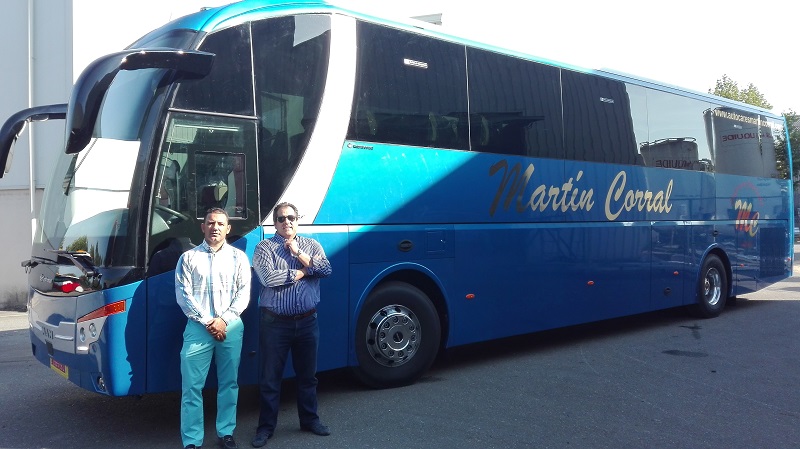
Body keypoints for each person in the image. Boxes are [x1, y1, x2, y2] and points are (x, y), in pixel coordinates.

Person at [250, 202, 333, 448]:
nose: (287, 222)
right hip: (275, 324)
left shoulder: (311, 245)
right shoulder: (264, 247)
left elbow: (326, 269)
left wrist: (298, 254)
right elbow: (268, 278)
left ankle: (309, 420)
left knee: (308, 377)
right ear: (274, 222)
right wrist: (305, 271)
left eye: (291, 217)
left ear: (298, 220)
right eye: (281, 218)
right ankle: (265, 428)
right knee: (270, 379)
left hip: (308, 322)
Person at [176, 207, 251, 449]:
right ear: (203, 227)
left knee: (229, 383)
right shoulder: (188, 258)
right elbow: (183, 295)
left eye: (220, 223)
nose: (215, 227)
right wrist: (209, 321)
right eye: (210, 223)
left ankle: (226, 432)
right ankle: (192, 440)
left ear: (228, 229)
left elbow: (243, 294)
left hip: (230, 326)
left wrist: (223, 320)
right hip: (198, 329)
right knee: (191, 388)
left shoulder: (239, 258)